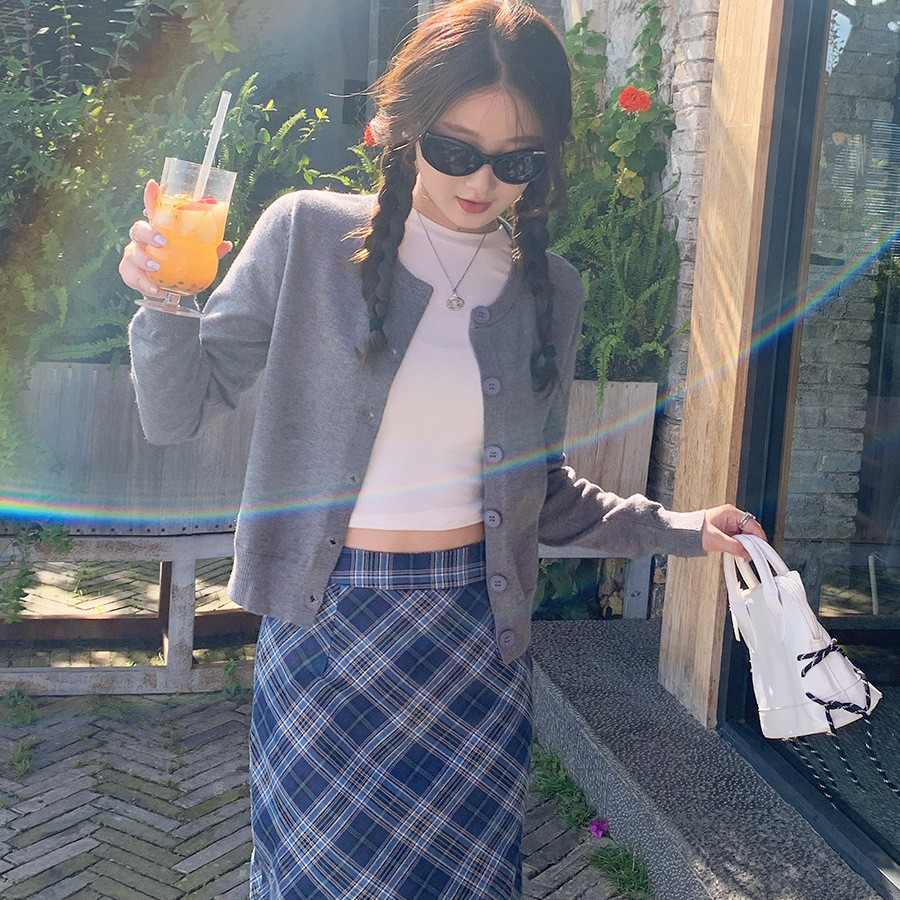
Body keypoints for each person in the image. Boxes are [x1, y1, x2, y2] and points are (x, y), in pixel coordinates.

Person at [120, 1, 767, 897]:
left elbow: (544, 493)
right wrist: (164, 301)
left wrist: (686, 530)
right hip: (328, 634)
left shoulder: (550, 292)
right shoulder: (308, 236)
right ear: (402, 128)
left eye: (517, 161)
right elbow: (173, 412)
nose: (483, 182)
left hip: (473, 644)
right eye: (456, 150)